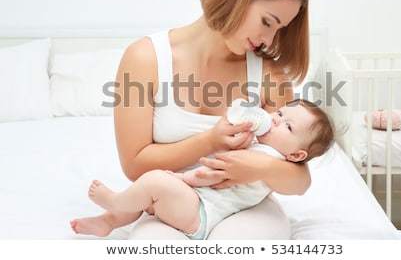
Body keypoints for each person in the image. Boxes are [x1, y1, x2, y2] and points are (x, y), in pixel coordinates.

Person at [112, 0, 311, 239]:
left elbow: (300, 178)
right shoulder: (146, 58)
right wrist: (209, 141)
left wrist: (260, 167)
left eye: (279, 29)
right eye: (267, 22)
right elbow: (134, 165)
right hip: (173, 204)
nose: (269, 39)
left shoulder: (269, 73)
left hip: (246, 208)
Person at [70, 99, 335, 239]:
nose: (276, 121)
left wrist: (182, 178)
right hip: (195, 204)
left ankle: (115, 202)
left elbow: (210, 174)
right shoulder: (259, 147)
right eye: (279, 114)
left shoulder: (268, 160)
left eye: (288, 126)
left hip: (201, 213)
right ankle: (108, 222)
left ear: (297, 154)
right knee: (145, 195)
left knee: (154, 182)